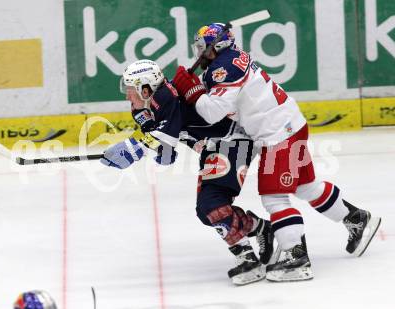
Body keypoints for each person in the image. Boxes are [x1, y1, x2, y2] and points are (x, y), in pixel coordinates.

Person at [171, 23, 382, 282]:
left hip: (278, 134)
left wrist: (191, 91)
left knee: (274, 198)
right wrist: (185, 88)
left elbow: (213, 111)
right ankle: (357, 219)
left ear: (219, 46)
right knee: (305, 186)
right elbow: (214, 90)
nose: (200, 54)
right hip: (289, 125)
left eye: (204, 49)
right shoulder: (228, 61)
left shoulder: (225, 68)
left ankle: (296, 257)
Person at [100, 59, 274, 285]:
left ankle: (247, 259)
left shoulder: (164, 96)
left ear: (146, 88)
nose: (127, 96)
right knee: (207, 212)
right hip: (213, 148)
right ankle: (261, 228)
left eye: (131, 90)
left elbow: (163, 135)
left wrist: (131, 150)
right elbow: (165, 149)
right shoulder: (142, 109)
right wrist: (155, 152)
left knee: (212, 205)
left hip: (233, 142)